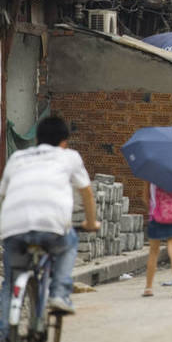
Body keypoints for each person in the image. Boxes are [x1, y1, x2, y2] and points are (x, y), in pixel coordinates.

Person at [0, 116, 98, 330]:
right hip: (52, 226)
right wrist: (91, 222)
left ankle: (3, 332)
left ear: (37, 139)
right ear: (65, 142)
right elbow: (87, 192)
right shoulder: (69, 157)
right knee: (69, 242)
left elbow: (4, 194)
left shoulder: (17, 157)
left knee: (9, 284)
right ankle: (59, 294)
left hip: (13, 228)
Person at [143, 181, 172, 297]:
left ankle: (149, 288)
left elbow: (145, 198)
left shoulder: (151, 174)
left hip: (157, 215)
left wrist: (151, 210)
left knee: (154, 251)